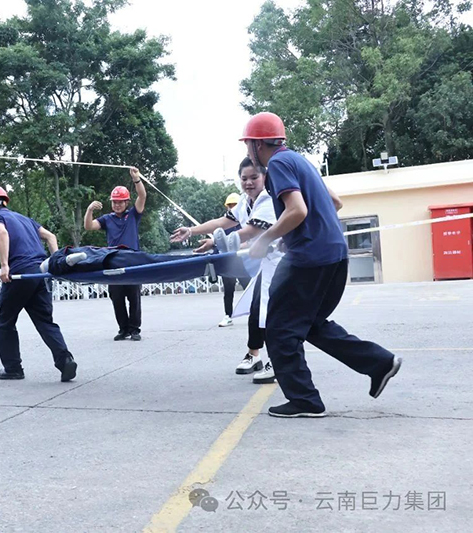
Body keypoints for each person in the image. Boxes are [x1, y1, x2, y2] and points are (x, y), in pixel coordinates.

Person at [242, 112, 401, 418]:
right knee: (310, 323)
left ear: (257, 144)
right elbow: (335, 202)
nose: (248, 151)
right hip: (335, 254)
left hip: (309, 259)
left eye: (248, 144)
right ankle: (380, 363)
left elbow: (297, 210)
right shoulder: (301, 161)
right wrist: (292, 236)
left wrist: (266, 239)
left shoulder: (278, 164)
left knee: (279, 329)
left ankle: (304, 401)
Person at [170, 158, 281, 383]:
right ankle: (255, 355)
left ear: (264, 177)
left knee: (273, 314)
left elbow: (250, 231)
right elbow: (222, 222)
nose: (249, 182)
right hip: (264, 265)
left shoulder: (268, 200)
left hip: (283, 265)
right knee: (256, 310)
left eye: (254, 177)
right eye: (244, 178)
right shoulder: (244, 201)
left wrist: (225, 241)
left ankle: (279, 361)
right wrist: (191, 231)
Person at [0, 184, 77, 382]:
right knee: (45, 320)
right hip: (40, 273)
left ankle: (13, 368)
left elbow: (2, 233)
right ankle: (65, 360)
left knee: (6, 321)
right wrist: (55, 263)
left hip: (20, 273)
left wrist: (4, 266)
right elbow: (51, 236)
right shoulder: (25, 219)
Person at [83, 167, 147, 341]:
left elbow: (142, 196)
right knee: (116, 296)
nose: (117, 205)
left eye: (120, 202)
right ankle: (123, 329)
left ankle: (135, 329)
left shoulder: (133, 215)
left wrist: (136, 179)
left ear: (126, 202)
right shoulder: (107, 219)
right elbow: (88, 226)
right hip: (113, 260)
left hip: (132, 259)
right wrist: (89, 210)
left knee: (134, 296)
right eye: (114, 202)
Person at [217, 192, 249, 328]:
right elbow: (219, 243)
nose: (232, 207)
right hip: (228, 262)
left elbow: (250, 240)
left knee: (248, 288)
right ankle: (228, 316)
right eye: (230, 205)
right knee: (228, 290)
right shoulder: (224, 225)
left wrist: (236, 246)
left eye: (234, 205)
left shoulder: (244, 222)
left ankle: (255, 312)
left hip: (242, 262)